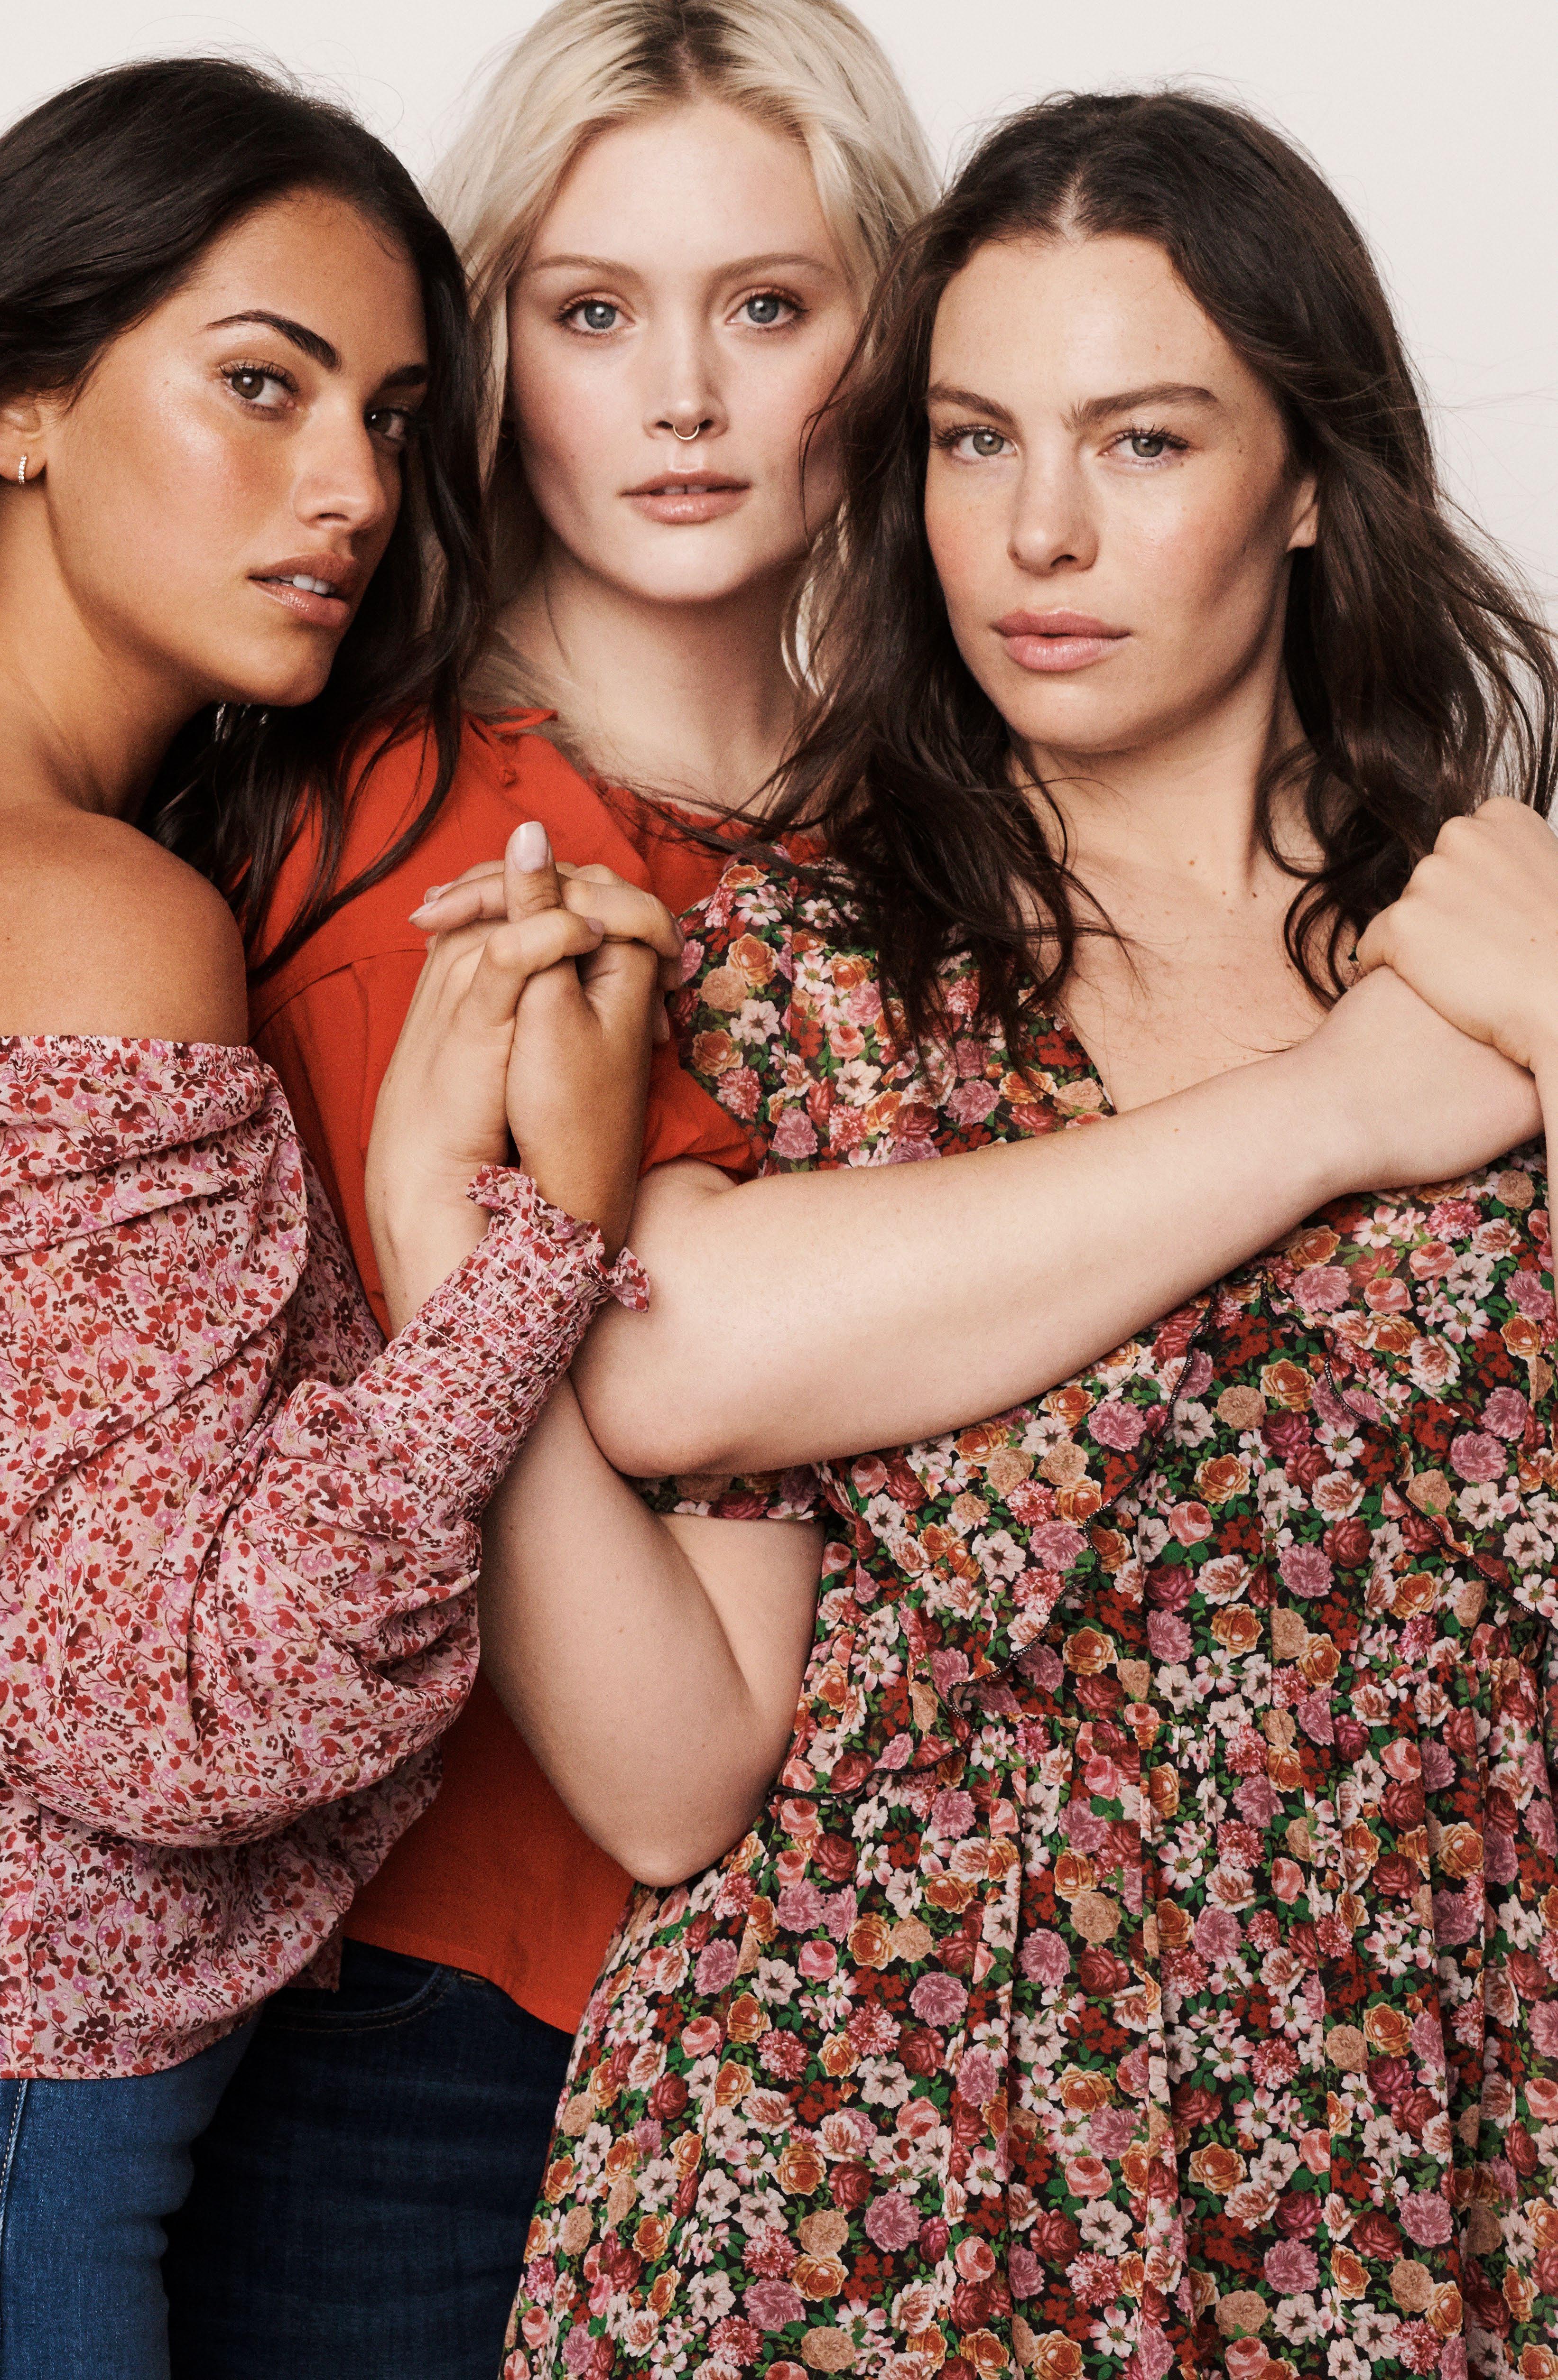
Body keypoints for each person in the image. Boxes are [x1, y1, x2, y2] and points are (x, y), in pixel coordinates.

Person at [479, 91, 1558, 2380]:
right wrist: (1336, 1115)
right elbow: (676, 1371)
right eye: (973, 442)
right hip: (858, 2184)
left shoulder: (1505, 938)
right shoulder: (810, 953)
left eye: (1141, 440)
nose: (1037, 533)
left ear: (1306, 479)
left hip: (1404, 2162)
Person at [0, 58, 670, 2380]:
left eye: (395, 421)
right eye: (261, 385)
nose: (353, 490)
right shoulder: (73, 910)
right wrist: (529, 1245)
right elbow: (190, 1707)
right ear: (19, 398)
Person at [162, 8, 933, 2375]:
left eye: (767, 306)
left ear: (890, 335)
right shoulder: (439, 837)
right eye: (594, 313)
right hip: (466, 2025)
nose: (683, 397)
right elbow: (661, 1754)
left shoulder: (924, 832)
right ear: (495, 361)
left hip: (857, 2037)